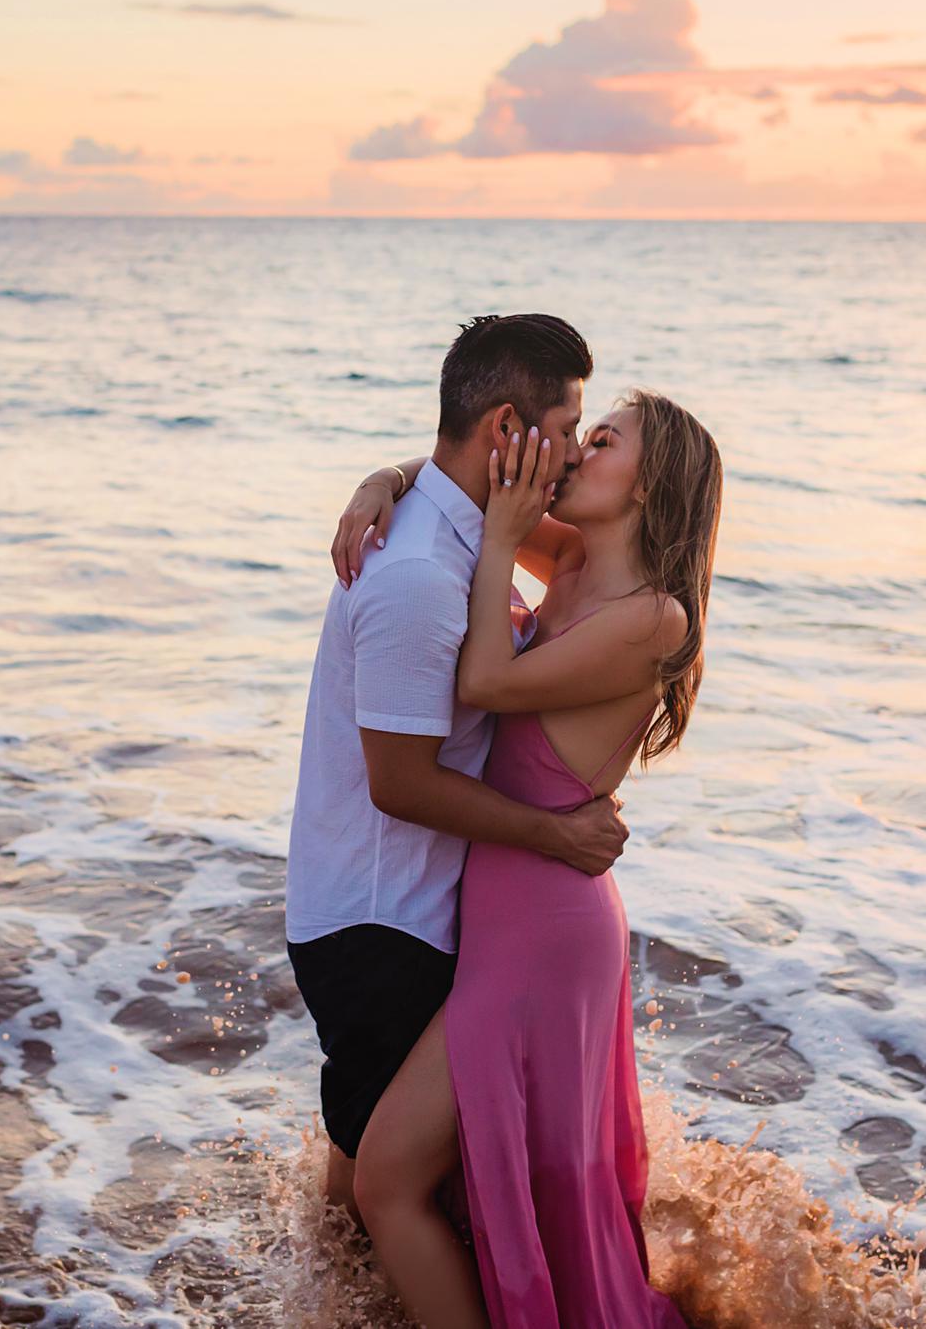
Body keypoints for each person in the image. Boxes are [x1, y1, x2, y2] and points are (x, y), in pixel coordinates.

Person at [331, 387, 723, 1328]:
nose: (576, 450)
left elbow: (484, 681)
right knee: (457, 1180)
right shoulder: (577, 557)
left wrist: (505, 537)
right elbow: (460, 490)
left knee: (387, 1180)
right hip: (501, 908)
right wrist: (378, 482)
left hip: (547, 927)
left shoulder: (653, 617)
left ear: (651, 479)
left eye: (602, 440)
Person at [282, 314, 632, 1276]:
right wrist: (554, 835)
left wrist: (384, 474)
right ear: (510, 427)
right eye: (566, 426)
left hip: (397, 911)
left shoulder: (459, 529)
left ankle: (327, 1300)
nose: (572, 449)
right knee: (404, 1193)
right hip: (381, 926)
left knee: (370, 1178)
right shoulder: (421, 578)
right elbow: (400, 784)